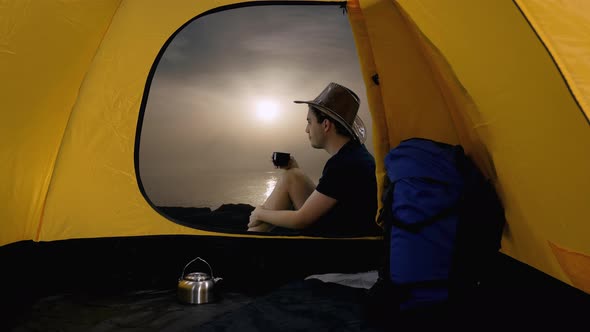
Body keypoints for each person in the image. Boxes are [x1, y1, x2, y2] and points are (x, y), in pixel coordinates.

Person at [247, 82, 378, 236]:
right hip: (344, 227)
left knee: (290, 178)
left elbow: (301, 220)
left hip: (340, 243)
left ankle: (251, 241)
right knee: (293, 175)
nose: (307, 129)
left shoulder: (343, 164)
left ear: (326, 125)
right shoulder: (355, 154)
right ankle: (253, 235)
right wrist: (294, 170)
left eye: (309, 122)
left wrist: (260, 213)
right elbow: (333, 194)